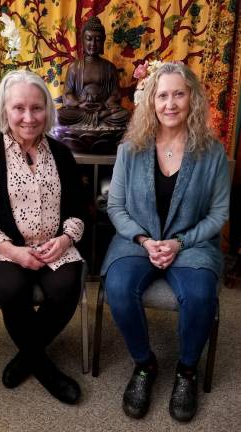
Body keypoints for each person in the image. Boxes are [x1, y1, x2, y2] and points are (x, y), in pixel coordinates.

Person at [101, 62, 230, 422]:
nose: (170, 103)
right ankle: (144, 365)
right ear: (151, 102)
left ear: (192, 99)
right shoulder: (131, 147)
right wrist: (143, 239)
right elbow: (116, 204)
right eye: (162, 95)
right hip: (136, 240)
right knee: (119, 287)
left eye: (178, 94)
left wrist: (179, 242)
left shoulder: (212, 153)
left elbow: (218, 214)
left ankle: (187, 371)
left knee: (202, 294)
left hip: (192, 243)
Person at [0, 70, 86, 405]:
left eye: (37, 108)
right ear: (5, 110)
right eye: (19, 108)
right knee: (12, 287)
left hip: (52, 245)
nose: (29, 117)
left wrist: (63, 240)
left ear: (47, 110)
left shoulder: (61, 154)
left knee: (66, 288)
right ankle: (44, 368)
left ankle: (26, 357)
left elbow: (79, 208)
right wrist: (15, 253)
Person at [57, 16, 129, 128]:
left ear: (103, 41)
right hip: (81, 111)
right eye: (89, 39)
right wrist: (79, 104)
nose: (93, 44)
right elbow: (67, 94)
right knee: (58, 115)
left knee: (125, 115)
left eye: (98, 39)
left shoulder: (110, 68)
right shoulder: (74, 67)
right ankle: (98, 120)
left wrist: (104, 105)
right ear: (82, 40)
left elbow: (116, 94)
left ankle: (100, 117)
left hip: (103, 110)